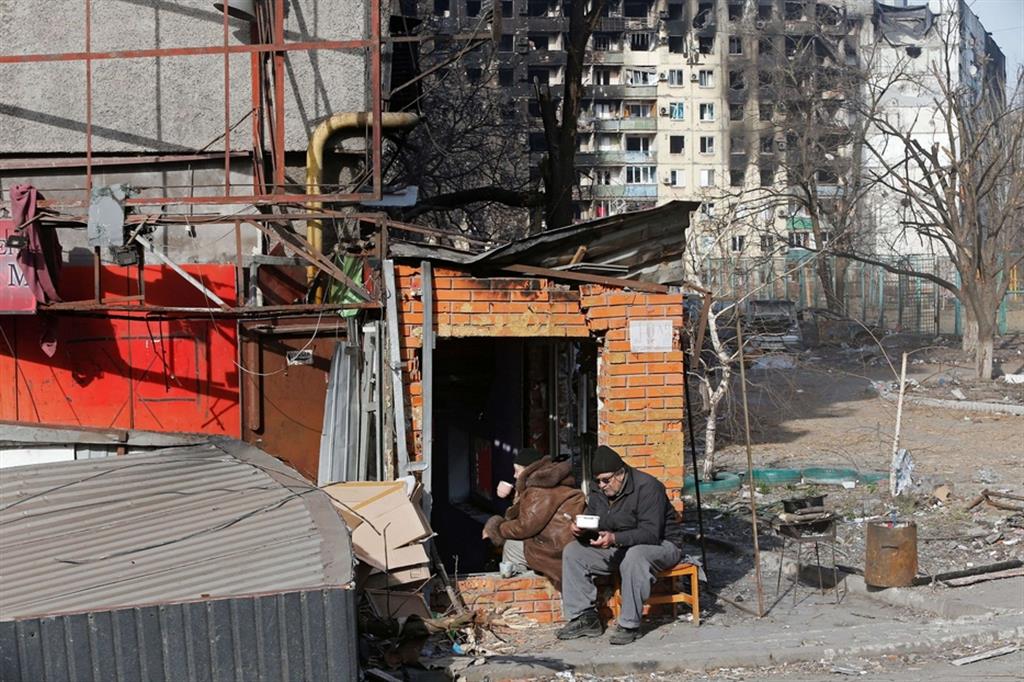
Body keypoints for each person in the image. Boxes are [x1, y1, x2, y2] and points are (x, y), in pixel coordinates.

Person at [555, 445, 685, 645]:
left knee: (635, 556)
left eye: (606, 480)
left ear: (621, 474)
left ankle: (629, 624)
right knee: (574, 552)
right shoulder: (600, 490)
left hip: (662, 545)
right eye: (597, 481)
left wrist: (614, 539)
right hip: (620, 546)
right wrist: (582, 529)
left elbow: (651, 533)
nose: (602, 485)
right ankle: (585, 618)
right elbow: (595, 520)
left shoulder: (648, 487)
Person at [482, 448, 585, 590]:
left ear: (527, 470)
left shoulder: (539, 490)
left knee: (512, 546)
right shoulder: (553, 481)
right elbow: (536, 513)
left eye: (517, 471)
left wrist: (496, 528)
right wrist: (515, 495)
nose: (515, 475)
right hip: (566, 542)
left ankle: (519, 590)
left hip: (554, 549)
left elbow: (524, 527)